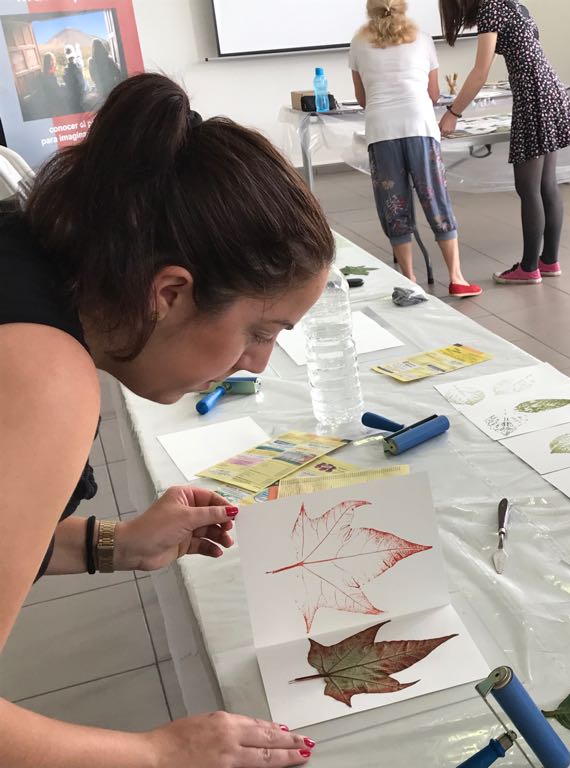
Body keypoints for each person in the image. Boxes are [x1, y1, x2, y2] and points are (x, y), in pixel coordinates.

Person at [0, 73, 330, 767]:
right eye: (260, 331)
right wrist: (157, 752)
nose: (258, 365)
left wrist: (111, 544)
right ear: (170, 293)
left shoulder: (21, 256)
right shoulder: (45, 374)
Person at [350, 0, 481, 298]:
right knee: (435, 197)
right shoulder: (422, 40)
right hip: (420, 127)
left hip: (382, 131)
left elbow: (363, 98)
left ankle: (409, 280)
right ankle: (457, 277)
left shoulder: (358, 44)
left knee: (393, 203)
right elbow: (433, 94)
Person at [439, 0, 570, 285]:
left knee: (528, 188)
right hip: (550, 90)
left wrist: (452, 114)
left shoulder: (490, 9)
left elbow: (480, 72)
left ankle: (529, 268)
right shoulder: (513, 5)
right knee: (546, 184)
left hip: (534, 97)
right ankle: (548, 261)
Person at [62, 49, 86, 114]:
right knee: (79, 107)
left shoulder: (67, 69)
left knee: (76, 107)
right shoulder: (75, 67)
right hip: (76, 91)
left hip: (73, 92)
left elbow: (66, 79)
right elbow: (81, 80)